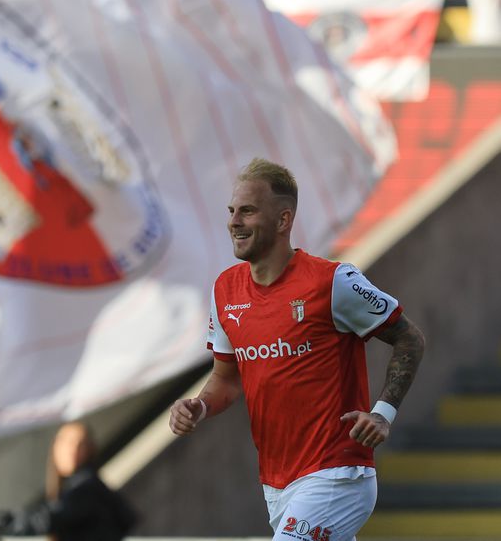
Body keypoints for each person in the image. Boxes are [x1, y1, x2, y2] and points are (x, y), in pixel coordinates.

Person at [169, 158, 425, 541]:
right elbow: (226, 379)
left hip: (338, 474)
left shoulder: (333, 282)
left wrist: (383, 413)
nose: (234, 221)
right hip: (277, 483)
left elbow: (409, 338)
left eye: (248, 211)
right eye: (232, 211)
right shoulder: (225, 290)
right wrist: (199, 406)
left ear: (284, 220)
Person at [0, 421, 137, 541]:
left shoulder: (85, 488)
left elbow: (47, 517)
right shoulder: (81, 486)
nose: (72, 450)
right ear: (55, 447)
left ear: (89, 450)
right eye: (66, 442)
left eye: (79, 443)